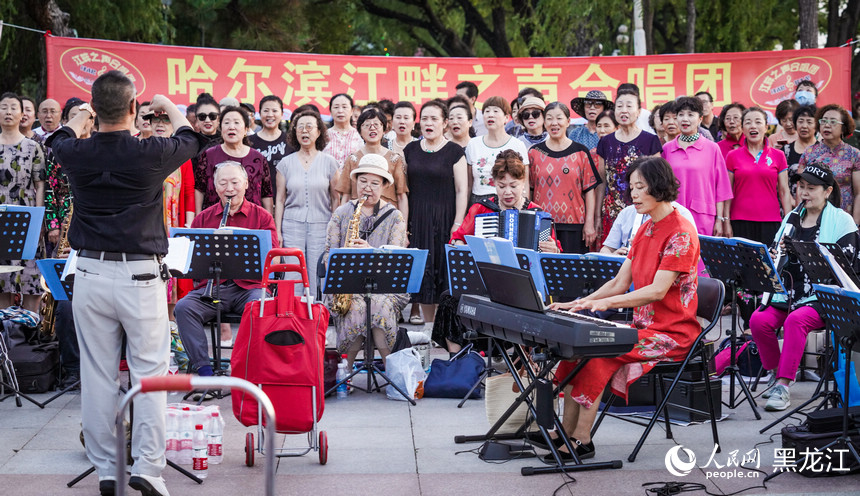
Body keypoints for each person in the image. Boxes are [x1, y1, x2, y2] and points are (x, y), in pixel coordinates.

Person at [48, 71, 204, 496]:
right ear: (135, 110)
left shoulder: (74, 150)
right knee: (150, 373)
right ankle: (149, 468)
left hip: (90, 275)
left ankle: (105, 469)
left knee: (97, 373)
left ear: (95, 111)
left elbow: (57, 138)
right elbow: (193, 136)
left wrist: (79, 118)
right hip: (139, 275)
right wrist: (166, 104)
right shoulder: (149, 152)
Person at [533, 157, 699, 462]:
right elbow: (619, 282)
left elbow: (657, 291)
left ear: (659, 187)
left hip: (673, 333)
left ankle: (582, 440)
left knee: (597, 357)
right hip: (642, 328)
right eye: (631, 187)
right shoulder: (646, 228)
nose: (633, 194)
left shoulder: (681, 233)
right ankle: (564, 434)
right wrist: (579, 304)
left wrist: (605, 304)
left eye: (640, 187)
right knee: (578, 351)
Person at [750, 164, 859, 411]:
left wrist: (810, 256)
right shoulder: (791, 218)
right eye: (801, 187)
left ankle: (784, 384)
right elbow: (775, 256)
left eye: (811, 188)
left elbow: (847, 270)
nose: (804, 193)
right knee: (759, 321)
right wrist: (776, 254)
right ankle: (778, 373)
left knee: (796, 320)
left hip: (824, 296)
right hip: (789, 292)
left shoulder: (842, 220)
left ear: (828, 191)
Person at [445, 149, 561, 350]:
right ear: (494, 184)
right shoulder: (481, 209)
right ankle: (458, 361)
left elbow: (555, 255)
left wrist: (553, 251)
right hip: (485, 284)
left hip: (522, 288)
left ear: (523, 183)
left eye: (513, 186)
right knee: (448, 298)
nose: (507, 192)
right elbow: (456, 240)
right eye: (501, 186)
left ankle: (520, 360)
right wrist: (465, 246)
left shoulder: (538, 215)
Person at [175, 162, 278, 378]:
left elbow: (274, 258)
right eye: (223, 183)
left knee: (259, 306)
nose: (229, 188)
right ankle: (204, 371)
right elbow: (189, 262)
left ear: (246, 184)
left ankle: (244, 367)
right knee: (184, 308)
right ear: (215, 186)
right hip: (213, 289)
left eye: (235, 182)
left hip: (249, 287)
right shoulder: (203, 218)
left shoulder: (262, 217)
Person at [323, 156, 409, 368]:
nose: (367, 188)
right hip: (347, 287)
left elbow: (397, 259)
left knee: (378, 305)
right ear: (355, 182)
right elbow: (328, 255)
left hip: (385, 288)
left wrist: (371, 252)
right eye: (363, 181)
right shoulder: (341, 214)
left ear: (384, 186)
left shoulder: (395, 217)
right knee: (355, 308)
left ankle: (392, 371)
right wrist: (343, 256)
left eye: (374, 183)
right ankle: (347, 372)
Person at [403, 100, 468, 325]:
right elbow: (404, 191)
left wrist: (458, 222)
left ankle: (444, 329)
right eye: (425, 118)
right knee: (424, 274)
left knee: (444, 274)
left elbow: (462, 190)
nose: (428, 123)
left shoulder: (454, 151)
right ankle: (429, 329)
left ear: (445, 123)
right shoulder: (410, 150)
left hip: (446, 217)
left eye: (434, 119)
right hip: (418, 219)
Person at [274, 110, 339, 297]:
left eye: (309, 126)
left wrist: (334, 228)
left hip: (322, 224)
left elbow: (335, 198)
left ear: (319, 132)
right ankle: (292, 313)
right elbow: (280, 199)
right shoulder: (285, 164)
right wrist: (277, 230)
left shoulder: (330, 163)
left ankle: (318, 314)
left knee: (317, 271)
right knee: (292, 272)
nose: (305, 130)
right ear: (294, 132)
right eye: (300, 127)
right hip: (291, 224)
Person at [529, 102, 600, 253]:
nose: (554, 123)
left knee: (572, 272)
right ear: (544, 122)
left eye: (559, 118)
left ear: (568, 122)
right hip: (542, 224)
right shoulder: (534, 152)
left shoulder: (581, 152)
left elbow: (589, 191)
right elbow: (529, 190)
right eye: (549, 118)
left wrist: (589, 223)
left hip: (575, 225)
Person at [595, 89, 662, 243]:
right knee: (612, 256)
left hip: (643, 211)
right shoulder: (606, 142)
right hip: (611, 212)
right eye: (619, 106)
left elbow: (657, 182)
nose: (624, 110)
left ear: (638, 111)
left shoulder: (650, 141)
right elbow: (602, 181)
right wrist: (598, 216)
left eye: (629, 106)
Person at [0, 92, 46, 312]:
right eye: (4, 107)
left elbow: (39, 185)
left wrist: (38, 222)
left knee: (30, 280)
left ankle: (30, 335)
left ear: (22, 114)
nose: (8, 112)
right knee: (2, 284)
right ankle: (3, 341)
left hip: (26, 221)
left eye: (13, 108)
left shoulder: (33, 147)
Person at [661, 96, 731, 236]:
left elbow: (721, 188)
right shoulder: (667, 149)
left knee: (700, 256)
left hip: (703, 216)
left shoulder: (712, 148)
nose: (685, 119)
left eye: (691, 115)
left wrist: (720, 219)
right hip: (673, 215)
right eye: (681, 115)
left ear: (700, 119)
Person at [195, 106, 273, 214]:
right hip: (215, 220)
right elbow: (199, 189)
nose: (231, 127)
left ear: (246, 129)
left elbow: (266, 194)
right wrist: (198, 217)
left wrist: (268, 223)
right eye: (226, 123)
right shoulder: (209, 155)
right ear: (220, 128)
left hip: (251, 221)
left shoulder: (258, 158)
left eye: (236, 123)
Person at [336, 108, 408, 216]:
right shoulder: (352, 159)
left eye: (376, 124)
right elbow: (346, 196)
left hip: (387, 219)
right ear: (359, 131)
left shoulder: (394, 159)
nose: (372, 128)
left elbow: (402, 196)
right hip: (358, 218)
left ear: (384, 129)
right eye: (367, 125)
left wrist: (403, 227)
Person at [797, 104, 860, 223]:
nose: (827, 125)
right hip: (813, 218)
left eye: (833, 122)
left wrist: (855, 224)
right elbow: (800, 189)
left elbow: (859, 194)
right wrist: (798, 218)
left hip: (843, 218)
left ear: (844, 127)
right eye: (824, 121)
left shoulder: (854, 154)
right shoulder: (809, 152)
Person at [465, 96, 530, 205]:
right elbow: (469, 185)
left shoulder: (517, 145)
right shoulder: (473, 144)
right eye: (487, 111)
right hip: (479, 202)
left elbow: (525, 183)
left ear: (506, 117)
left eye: (496, 111)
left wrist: (523, 208)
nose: (490, 114)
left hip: (510, 202)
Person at [249, 95, 294, 192]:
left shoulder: (291, 141)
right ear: (260, 114)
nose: (270, 115)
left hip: (285, 199)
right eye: (266, 111)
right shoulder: (249, 142)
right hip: (256, 199)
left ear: (282, 114)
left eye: (274, 111)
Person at [323, 93, 364, 168]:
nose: (340, 111)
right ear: (331, 111)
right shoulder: (323, 136)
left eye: (344, 107)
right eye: (336, 107)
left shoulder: (360, 136)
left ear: (351, 111)